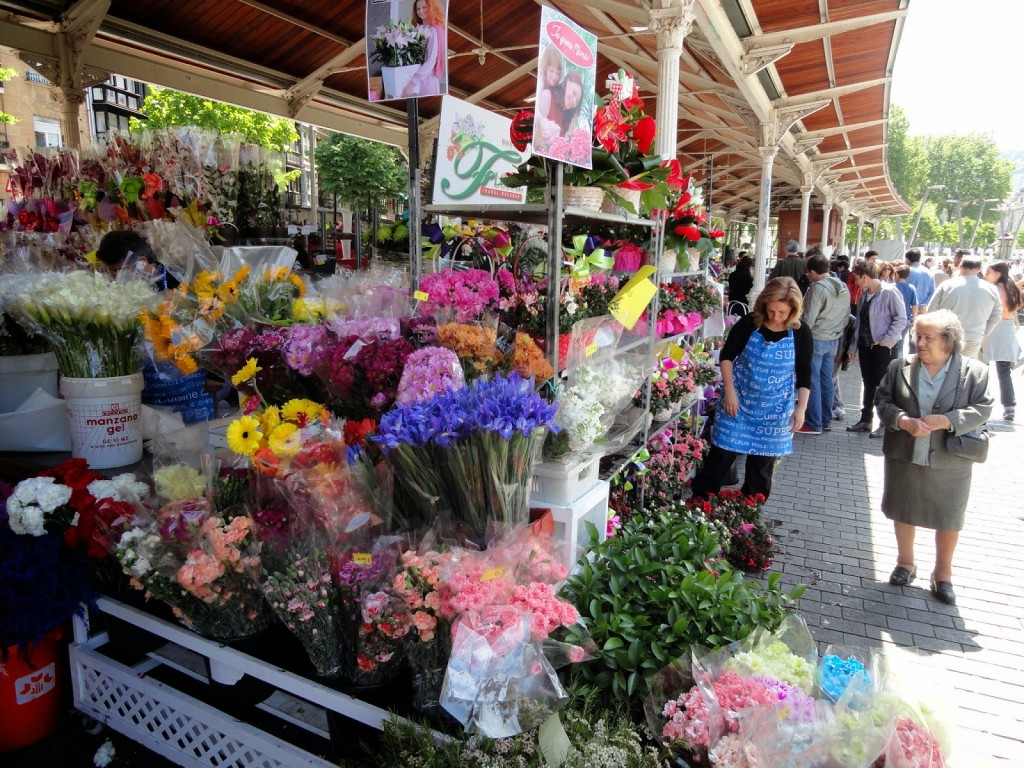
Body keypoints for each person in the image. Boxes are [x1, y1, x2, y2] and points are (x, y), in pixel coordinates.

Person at [875, 310, 993, 605]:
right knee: (904, 507)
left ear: (949, 341)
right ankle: (905, 563)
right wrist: (903, 421)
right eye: (918, 336)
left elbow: (983, 408)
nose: (920, 342)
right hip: (905, 452)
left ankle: (943, 574)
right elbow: (882, 400)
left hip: (950, 459)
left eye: (929, 337)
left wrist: (948, 420)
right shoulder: (899, 366)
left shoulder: (974, 373)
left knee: (949, 515)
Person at [689, 277, 812, 501]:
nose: (775, 317)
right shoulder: (750, 323)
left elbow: (805, 374)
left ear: (793, 310)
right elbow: (727, 357)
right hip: (738, 402)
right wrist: (730, 392)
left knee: (761, 468)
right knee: (721, 457)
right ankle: (699, 503)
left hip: (776, 410)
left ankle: (748, 511)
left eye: (782, 312)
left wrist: (801, 408)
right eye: (771, 310)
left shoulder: (801, 332)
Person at [845, 260, 907, 437]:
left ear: (864, 277)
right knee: (869, 383)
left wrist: (886, 340)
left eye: (857, 278)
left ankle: (885, 423)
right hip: (866, 346)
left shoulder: (889, 292)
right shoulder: (865, 293)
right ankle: (866, 420)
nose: (855, 282)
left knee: (883, 386)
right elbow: (859, 321)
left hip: (883, 348)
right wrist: (853, 346)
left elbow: (901, 319)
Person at [798, 253, 850, 434]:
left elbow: (808, 318)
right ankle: (826, 419)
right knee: (826, 379)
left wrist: (801, 338)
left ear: (812, 272)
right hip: (833, 339)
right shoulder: (843, 286)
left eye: (808, 273)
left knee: (811, 380)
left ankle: (814, 422)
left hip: (816, 339)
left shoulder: (817, 288)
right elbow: (847, 317)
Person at [928, 257, 1000, 360]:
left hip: (946, 334)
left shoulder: (946, 285)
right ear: (979, 269)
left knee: (943, 367)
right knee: (966, 369)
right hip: (974, 336)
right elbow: (997, 315)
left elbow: (931, 310)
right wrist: (984, 332)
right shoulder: (991, 289)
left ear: (960, 267)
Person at [982, 261, 1023, 421]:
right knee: (1004, 371)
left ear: (997, 273)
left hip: (992, 327)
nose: (986, 276)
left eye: (988, 272)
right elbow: (1017, 306)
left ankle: (981, 403)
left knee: (982, 368)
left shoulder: (992, 289)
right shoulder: (1012, 287)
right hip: (1008, 328)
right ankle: (1009, 406)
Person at [95, 229, 180, 290]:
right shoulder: (135, 287)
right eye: (112, 272)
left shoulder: (171, 288)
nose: (117, 277)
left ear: (141, 262)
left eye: (120, 270)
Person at [401, 0, 447, 98]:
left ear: (431, 7)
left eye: (424, 7)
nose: (421, 11)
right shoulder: (416, 29)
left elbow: (431, 60)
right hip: (412, 77)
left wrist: (413, 82)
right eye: (418, 8)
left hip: (427, 79)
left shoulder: (434, 30)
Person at [891, 264, 918, 359]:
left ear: (897, 274)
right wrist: (915, 320)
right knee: (901, 344)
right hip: (907, 319)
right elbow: (914, 305)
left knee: (893, 344)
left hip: (893, 319)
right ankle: (900, 361)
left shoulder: (891, 287)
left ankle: (894, 362)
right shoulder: (911, 288)